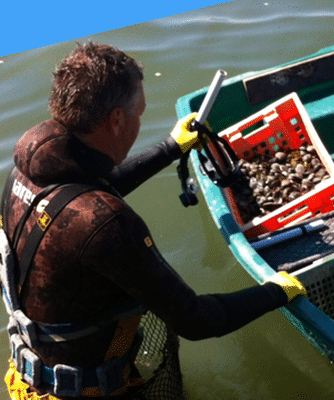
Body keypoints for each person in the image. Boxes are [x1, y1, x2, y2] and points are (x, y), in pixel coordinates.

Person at [0, 42, 306, 400]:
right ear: (116, 119)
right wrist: (277, 291)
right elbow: (195, 319)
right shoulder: (107, 224)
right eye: (139, 114)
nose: (139, 122)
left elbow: (84, 195)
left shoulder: (24, 174)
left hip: (33, 375)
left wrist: (170, 147)